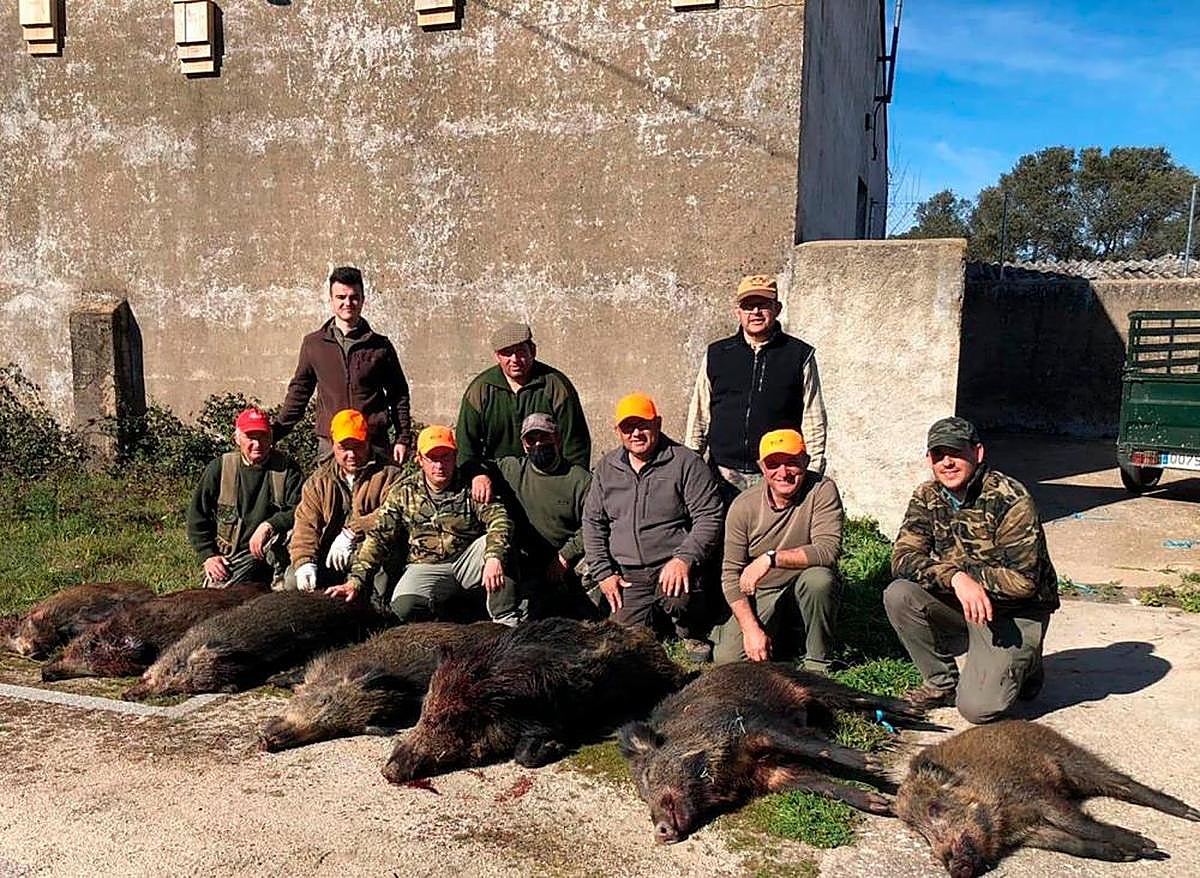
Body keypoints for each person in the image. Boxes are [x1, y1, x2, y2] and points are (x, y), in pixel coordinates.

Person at [884, 416, 1060, 723]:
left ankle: (1027, 664)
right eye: (938, 454)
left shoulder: (1010, 498)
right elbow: (902, 558)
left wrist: (967, 576)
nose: (947, 462)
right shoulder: (927, 495)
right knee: (899, 594)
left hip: (1016, 611)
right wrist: (955, 578)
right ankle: (940, 683)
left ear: (977, 453)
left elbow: (1023, 582)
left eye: (956, 452)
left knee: (977, 709)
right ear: (929, 459)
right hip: (965, 601)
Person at [331, 425, 521, 626]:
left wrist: (493, 557)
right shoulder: (404, 492)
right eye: (432, 458)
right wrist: (355, 581)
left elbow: (500, 520)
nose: (439, 465)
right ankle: (443, 620)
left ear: (455, 456)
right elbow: (379, 537)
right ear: (420, 460)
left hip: (466, 560)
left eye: (445, 457)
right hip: (426, 566)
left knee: (500, 546)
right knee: (403, 607)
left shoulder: (472, 485)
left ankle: (505, 619)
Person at [582, 392, 724, 661]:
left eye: (642, 425)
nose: (635, 433)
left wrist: (684, 558)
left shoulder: (685, 462)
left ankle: (688, 630)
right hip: (630, 574)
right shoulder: (606, 468)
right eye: (628, 427)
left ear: (657, 423)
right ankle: (654, 620)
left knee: (680, 597)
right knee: (620, 645)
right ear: (617, 432)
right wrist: (603, 573)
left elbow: (709, 516)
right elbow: (592, 522)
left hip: (672, 566)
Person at [685, 274, 828, 500]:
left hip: (777, 475)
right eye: (748, 306)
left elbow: (813, 419)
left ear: (777, 308)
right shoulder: (717, 354)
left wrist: (811, 472)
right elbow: (700, 414)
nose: (755, 312)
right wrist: (692, 463)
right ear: (738, 311)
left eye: (763, 305)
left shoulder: (799, 355)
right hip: (721, 473)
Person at [712, 429, 844, 669]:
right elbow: (730, 575)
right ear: (761, 467)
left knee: (819, 580)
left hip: (803, 582)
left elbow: (827, 550)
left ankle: (818, 660)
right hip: (763, 591)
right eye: (773, 464)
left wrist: (771, 558)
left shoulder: (822, 490)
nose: (783, 472)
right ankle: (781, 636)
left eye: (791, 462)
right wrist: (750, 629)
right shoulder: (743, 506)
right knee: (728, 660)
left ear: (805, 461)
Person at [274, 265, 412, 463]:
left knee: (379, 486)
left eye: (354, 297)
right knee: (327, 485)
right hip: (332, 445)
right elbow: (299, 393)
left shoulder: (380, 346)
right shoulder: (314, 344)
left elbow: (398, 394)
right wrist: (275, 432)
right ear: (331, 300)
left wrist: (403, 438)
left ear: (363, 299)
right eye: (341, 297)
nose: (348, 303)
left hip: (373, 442)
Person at [456, 322, 591, 503]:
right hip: (497, 485)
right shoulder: (481, 390)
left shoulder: (555, 386)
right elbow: (465, 445)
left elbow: (575, 443)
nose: (515, 359)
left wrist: (571, 488)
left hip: (549, 483)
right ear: (497, 356)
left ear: (532, 351)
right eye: (507, 353)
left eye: (521, 351)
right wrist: (477, 475)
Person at [288, 409, 404, 605]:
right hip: (328, 556)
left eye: (357, 446)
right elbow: (305, 524)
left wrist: (352, 531)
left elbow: (392, 514)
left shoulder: (390, 475)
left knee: (381, 581)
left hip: (371, 554)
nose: (351, 454)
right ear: (333, 444)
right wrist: (304, 562)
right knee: (292, 580)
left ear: (368, 441)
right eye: (343, 448)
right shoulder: (318, 481)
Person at [186, 406, 303, 588]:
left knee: (294, 585)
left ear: (271, 437)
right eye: (250, 437)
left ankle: (281, 584)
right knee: (216, 596)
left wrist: (269, 525)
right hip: (236, 554)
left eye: (263, 436)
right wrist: (209, 556)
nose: (257, 444)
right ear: (237, 438)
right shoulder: (220, 468)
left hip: (276, 551)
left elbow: (302, 509)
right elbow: (197, 516)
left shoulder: (288, 469)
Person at [496, 413, 595, 619]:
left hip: (567, 561)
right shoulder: (511, 469)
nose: (538, 444)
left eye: (544, 437)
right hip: (526, 562)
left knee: (594, 565)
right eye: (531, 440)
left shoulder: (580, 480)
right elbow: (476, 466)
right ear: (524, 445)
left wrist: (565, 555)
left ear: (557, 439)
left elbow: (594, 524)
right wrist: (480, 478)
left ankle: (591, 614)